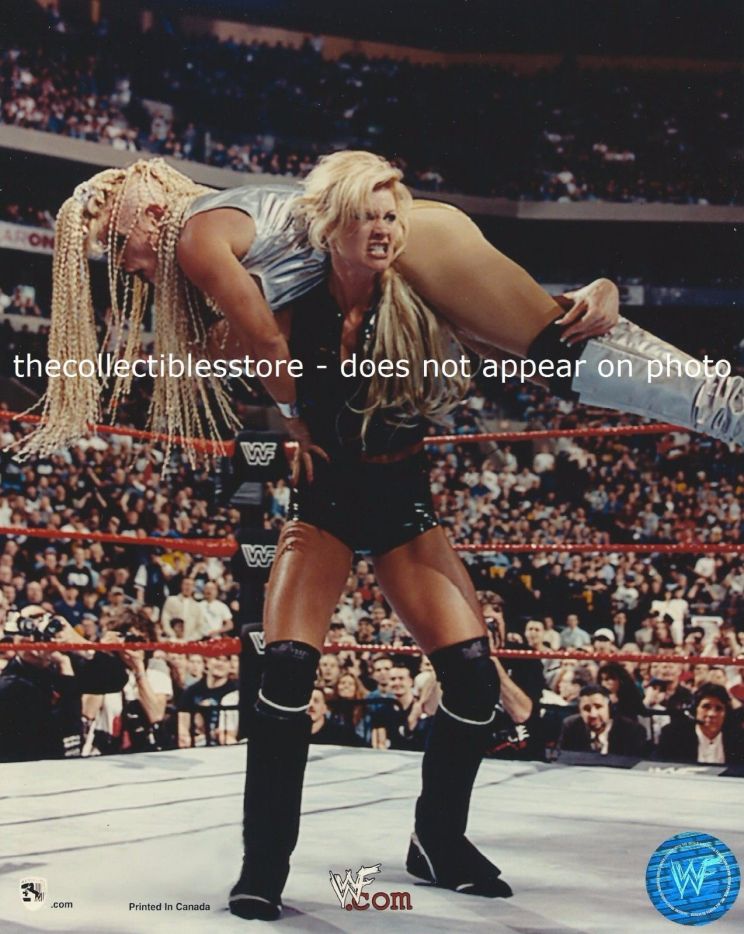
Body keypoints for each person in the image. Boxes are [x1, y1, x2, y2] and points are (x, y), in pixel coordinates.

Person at [14, 154, 743, 465]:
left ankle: (726, 406)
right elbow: (248, 343)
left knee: (557, 349)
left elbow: (266, 346)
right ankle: (720, 406)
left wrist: (296, 423)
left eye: (118, 246)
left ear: (147, 217)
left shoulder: (197, 239)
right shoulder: (209, 234)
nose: (124, 265)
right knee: (551, 351)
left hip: (413, 240)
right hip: (403, 258)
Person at [229, 154, 513, 921]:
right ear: (330, 227)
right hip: (324, 504)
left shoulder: (423, 296)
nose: (384, 230)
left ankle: (437, 840)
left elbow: (524, 324)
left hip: (402, 503)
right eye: (366, 216)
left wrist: (597, 295)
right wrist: (289, 418)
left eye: (392, 216)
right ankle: (263, 865)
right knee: (286, 671)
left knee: (474, 681)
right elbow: (224, 339)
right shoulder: (289, 302)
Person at [656, 683, 744, 765]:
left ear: (726, 713)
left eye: (718, 708)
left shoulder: (739, 738)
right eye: (706, 707)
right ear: (695, 710)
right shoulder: (673, 735)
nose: (711, 714)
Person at [559, 684, 647, 757]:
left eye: (598, 707)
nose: (593, 714)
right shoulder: (571, 727)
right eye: (586, 709)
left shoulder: (632, 731)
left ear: (609, 708)